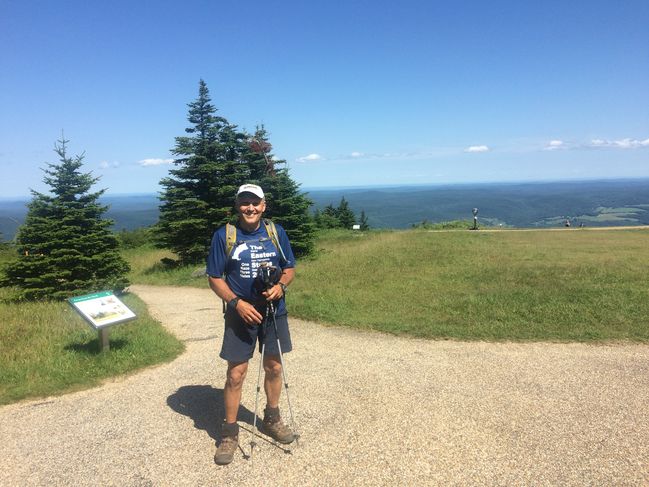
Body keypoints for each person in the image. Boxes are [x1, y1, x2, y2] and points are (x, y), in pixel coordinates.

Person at [207, 183, 297, 465]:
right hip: (240, 313)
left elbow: (289, 268)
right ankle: (229, 433)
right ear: (238, 206)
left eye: (255, 202)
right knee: (236, 373)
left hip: (273, 311)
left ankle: (272, 418)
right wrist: (236, 303)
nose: (250, 208)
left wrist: (281, 285)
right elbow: (214, 277)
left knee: (274, 366)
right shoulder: (225, 236)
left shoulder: (275, 232)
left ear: (263, 205)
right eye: (245, 203)